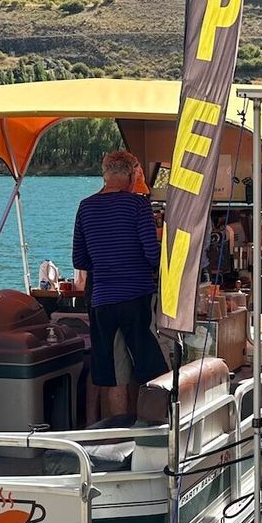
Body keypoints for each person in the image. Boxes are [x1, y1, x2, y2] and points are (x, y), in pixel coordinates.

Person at [73, 150, 169, 417]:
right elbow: (152, 255)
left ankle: (119, 435)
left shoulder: (85, 207)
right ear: (131, 174)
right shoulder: (137, 205)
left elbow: (79, 259)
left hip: (103, 301)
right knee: (152, 371)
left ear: (105, 174)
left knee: (116, 377)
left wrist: (107, 263)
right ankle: (154, 429)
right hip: (136, 296)